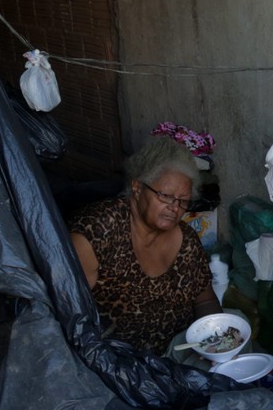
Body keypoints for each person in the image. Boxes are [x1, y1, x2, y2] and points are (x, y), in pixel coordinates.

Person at [70, 137, 220, 353]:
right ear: (137, 187)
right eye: (165, 196)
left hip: (177, 351)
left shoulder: (187, 240)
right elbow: (71, 313)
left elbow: (204, 301)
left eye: (183, 201)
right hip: (116, 362)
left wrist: (215, 341)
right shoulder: (99, 230)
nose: (174, 207)